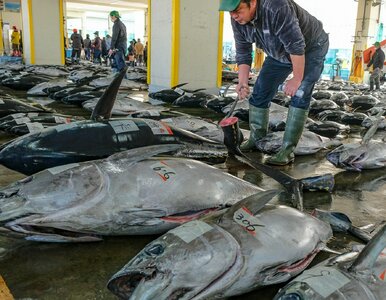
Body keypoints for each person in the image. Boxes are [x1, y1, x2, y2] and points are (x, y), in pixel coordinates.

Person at [219, 0, 329, 165]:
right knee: (260, 92)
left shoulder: (277, 7)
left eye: (238, 10)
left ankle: (287, 149)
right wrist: (242, 82)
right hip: (278, 52)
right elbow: (243, 50)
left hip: (310, 48)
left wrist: (297, 78)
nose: (234, 16)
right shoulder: (238, 19)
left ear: (253, 3)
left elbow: (296, 45)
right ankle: (257, 140)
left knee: (300, 93)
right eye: (230, 12)